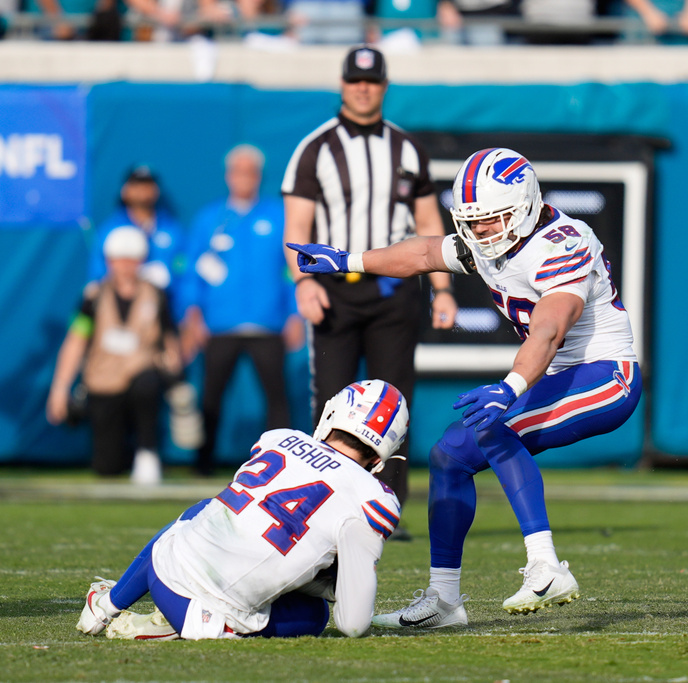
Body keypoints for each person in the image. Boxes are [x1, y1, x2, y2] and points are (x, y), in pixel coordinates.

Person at [288, 147, 641, 627]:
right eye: (472, 223)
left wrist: (511, 385)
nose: (479, 234)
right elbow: (423, 252)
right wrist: (349, 260)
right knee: (449, 455)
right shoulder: (488, 239)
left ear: (525, 206)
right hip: (560, 375)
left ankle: (545, 564)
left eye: (491, 221)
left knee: (493, 426)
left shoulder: (561, 241)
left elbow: (551, 328)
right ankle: (445, 599)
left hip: (606, 375)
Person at [75, 379, 409, 640]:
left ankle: (106, 605)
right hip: (209, 622)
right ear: (382, 455)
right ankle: (195, 625)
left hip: (162, 572)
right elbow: (353, 624)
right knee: (315, 613)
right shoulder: (373, 497)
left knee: (206, 510)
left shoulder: (279, 439)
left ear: (331, 414)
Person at [281, 44, 457, 533]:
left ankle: (387, 509)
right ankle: (321, 506)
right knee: (331, 405)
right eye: (355, 80)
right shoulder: (315, 148)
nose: (363, 88)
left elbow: (428, 222)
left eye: (372, 81)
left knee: (395, 404)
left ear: (383, 86)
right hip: (334, 291)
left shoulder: (406, 149)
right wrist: (302, 281)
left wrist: (442, 289)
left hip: (394, 291)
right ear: (342, 84)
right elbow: (296, 225)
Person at [180, 144, 301, 476]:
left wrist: (295, 314)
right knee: (211, 397)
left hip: (268, 323)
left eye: (250, 171)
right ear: (228, 175)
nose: (244, 178)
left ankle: (284, 464)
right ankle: (202, 462)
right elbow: (192, 271)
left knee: (277, 397)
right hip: (221, 324)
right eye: (238, 171)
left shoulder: (278, 216)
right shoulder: (210, 218)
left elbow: (293, 269)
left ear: (259, 176)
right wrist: (192, 314)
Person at [47, 226, 182, 485]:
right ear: (109, 261)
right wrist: (60, 388)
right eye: (119, 259)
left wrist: (177, 379)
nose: (125, 266)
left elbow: (169, 340)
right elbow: (76, 341)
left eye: (131, 259)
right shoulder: (93, 297)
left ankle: (147, 453)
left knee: (147, 385)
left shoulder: (155, 294)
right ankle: (123, 455)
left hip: (141, 372)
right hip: (104, 380)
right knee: (107, 466)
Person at [88, 165, 185, 308]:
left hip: (165, 309)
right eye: (136, 185)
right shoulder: (110, 230)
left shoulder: (172, 230)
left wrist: (170, 275)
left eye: (148, 185)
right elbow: (97, 274)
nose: (142, 191)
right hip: (123, 310)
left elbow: (183, 266)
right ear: (125, 191)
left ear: (156, 191)